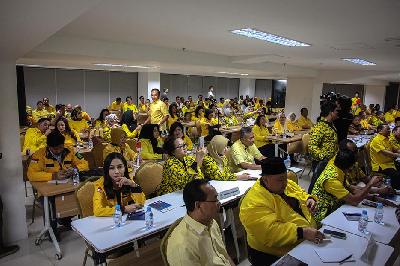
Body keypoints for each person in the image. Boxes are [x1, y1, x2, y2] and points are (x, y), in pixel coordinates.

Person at [240, 157, 321, 265]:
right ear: (265, 180)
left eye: (285, 178)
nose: (285, 183)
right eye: (280, 179)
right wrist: (302, 232)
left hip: (304, 241)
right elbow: (270, 233)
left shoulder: (285, 185)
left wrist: (309, 199)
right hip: (276, 252)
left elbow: (301, 193)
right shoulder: (253, 202)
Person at [166, 179, 234, 266]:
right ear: (198, 205)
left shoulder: (211, 222)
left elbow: (224, 255)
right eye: (215, 200)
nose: (219, 203)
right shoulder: (182, 246)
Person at [311, 149, 382, 223]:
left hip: (336, 206)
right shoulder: (331, 180)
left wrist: (376, 194)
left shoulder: (337, 167)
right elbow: (354, 201)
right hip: (324, 215)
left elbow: (352, 189)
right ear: (350, 167)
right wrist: (370, 184)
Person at [309, 101, 339, 170]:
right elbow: (312, 146)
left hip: (332, 161)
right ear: (331, 112)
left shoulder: (331, 125)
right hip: (322, 163)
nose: (337, 113)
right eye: (336, 111)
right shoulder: (320, 127)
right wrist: (324, 157)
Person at [369, 124, 400, 189]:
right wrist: (397, 155)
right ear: (380, 130)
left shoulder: (387, 138)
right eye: (387, 129)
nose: (389, 131)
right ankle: (396, 190)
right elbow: (386, 153)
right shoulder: (376, 140)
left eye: (389, 129)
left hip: (390, 162)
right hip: (381, 165)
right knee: (396, 175)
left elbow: (395, 149)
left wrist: (398, 152)